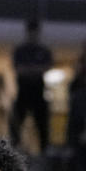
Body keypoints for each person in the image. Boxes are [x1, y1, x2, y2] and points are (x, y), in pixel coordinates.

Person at [9, 18, 53, 152]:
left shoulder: (44, 50)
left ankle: (44, 150)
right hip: (23, 92)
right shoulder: (20, 50)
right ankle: (14, 148)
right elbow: (19, 70)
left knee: (42, 124)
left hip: (38, 93)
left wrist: (30, 70)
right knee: (16, 122)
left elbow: (45, 68)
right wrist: (34, 70)